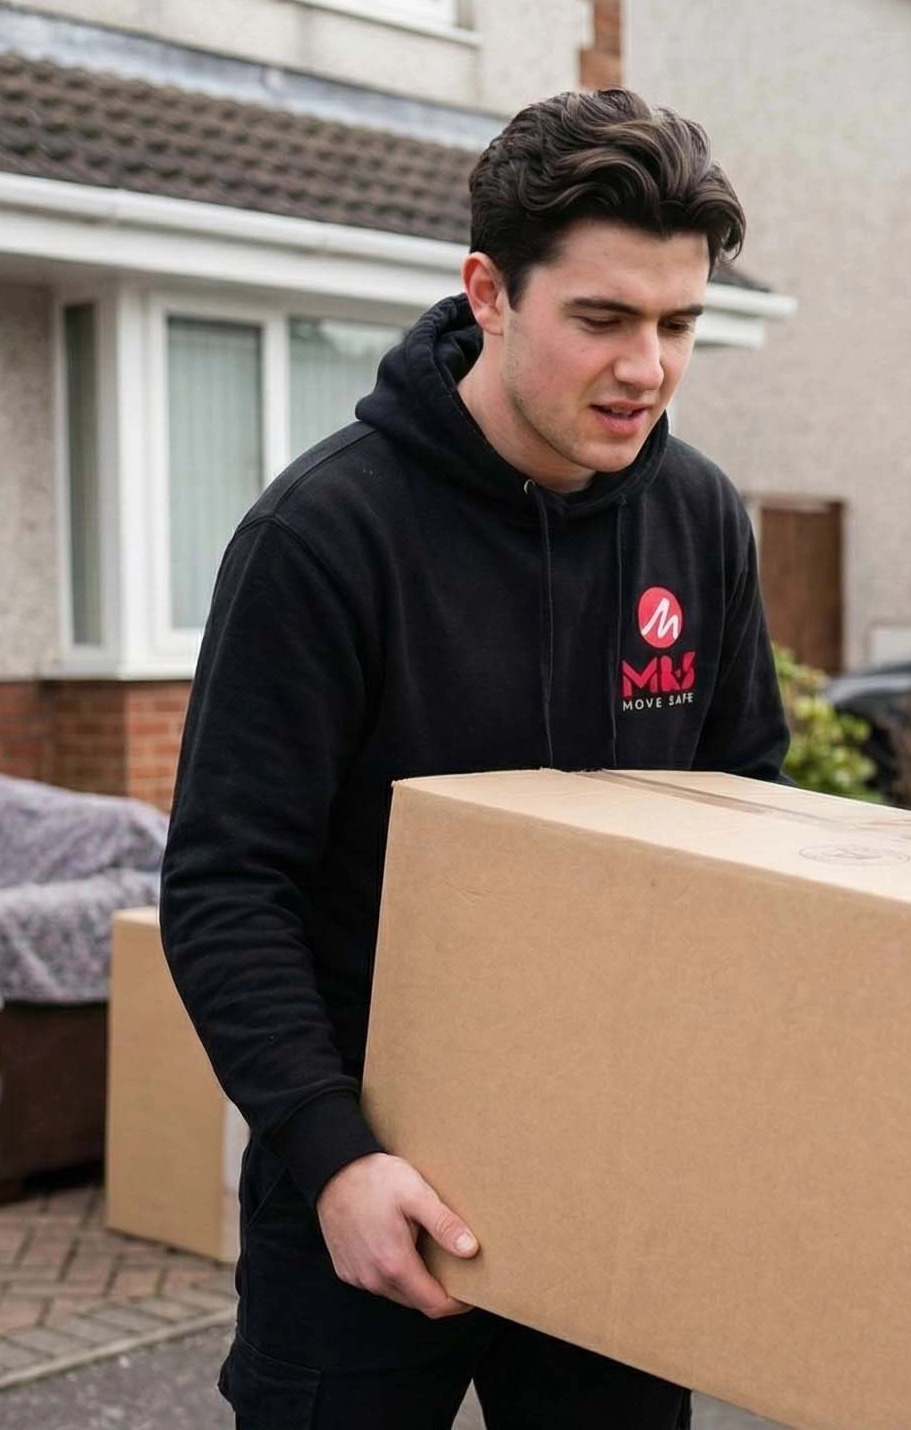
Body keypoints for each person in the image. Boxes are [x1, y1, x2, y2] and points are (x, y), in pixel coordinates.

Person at [161, 88, 788, 1430]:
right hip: (364, 1191)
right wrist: (332, 1158)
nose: (647, 370)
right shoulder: (323, 539)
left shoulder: (699, 520)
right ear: (489, 292)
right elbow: (226, 887)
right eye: (603, 320)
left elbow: (749, 823)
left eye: (680, 325)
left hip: (613, 1174)